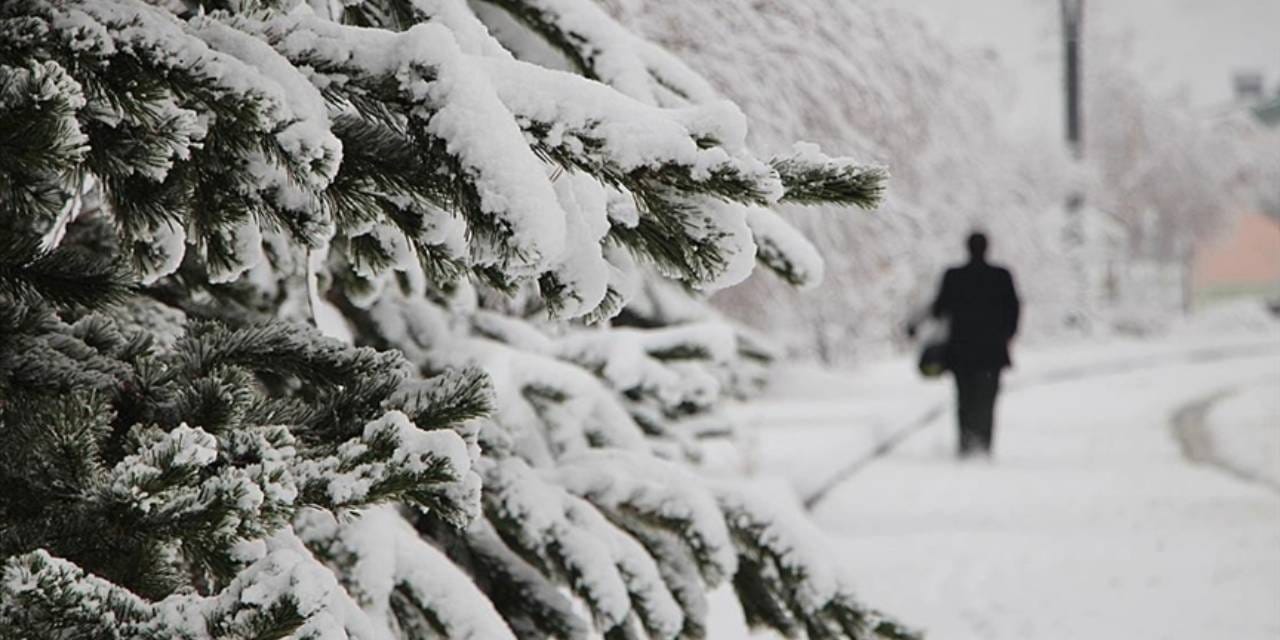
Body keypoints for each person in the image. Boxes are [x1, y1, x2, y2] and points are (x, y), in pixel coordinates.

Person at [927, 232, 1020, 457]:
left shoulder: (954, 276)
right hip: (992, 351)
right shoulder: (1001, 276)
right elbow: (1013, 309)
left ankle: (966, 443)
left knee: (964, 397)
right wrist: (1006, 335)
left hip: (961, 351)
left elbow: (939, 309)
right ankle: (984, 444)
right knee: (987, 398)